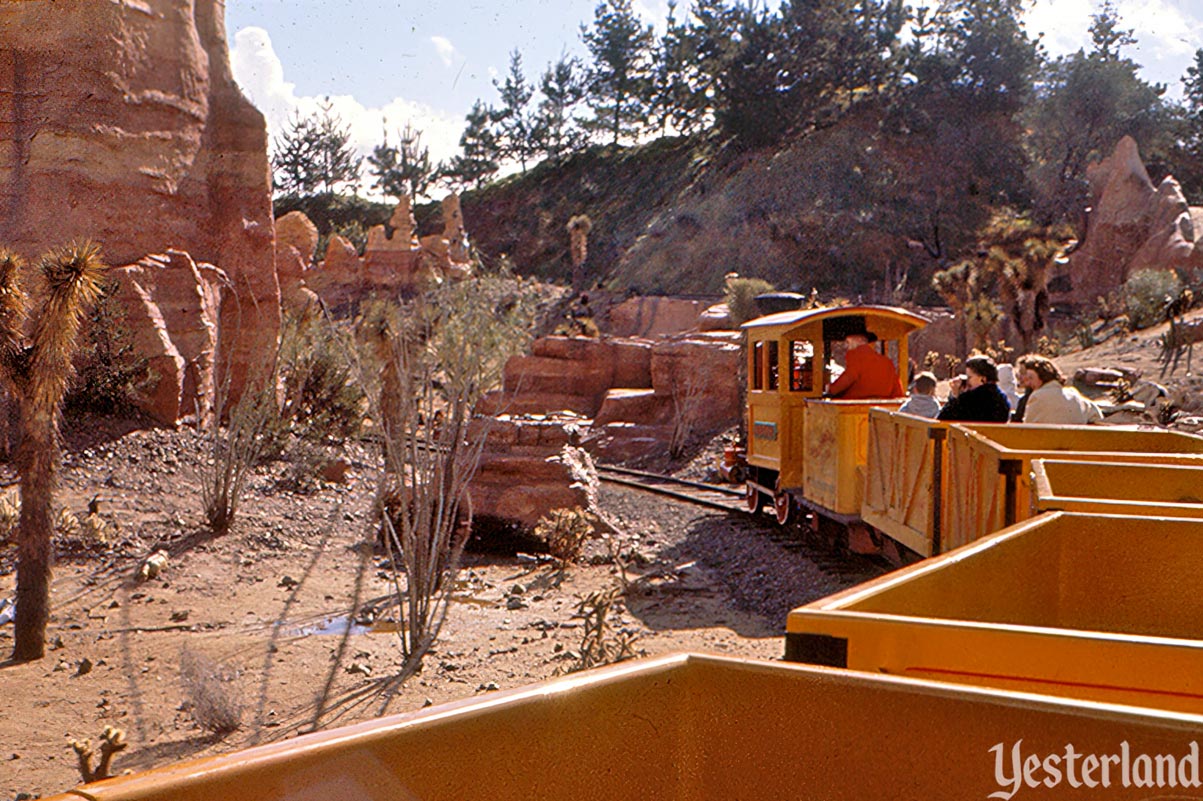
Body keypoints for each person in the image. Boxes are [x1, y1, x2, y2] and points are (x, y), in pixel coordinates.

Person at [1015, 354, 1103, 424]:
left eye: (1030, 378)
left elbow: (1027, 429)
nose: (1028, 382)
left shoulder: (1037, 397)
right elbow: (1096, 415)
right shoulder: (1074, 395)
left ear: (1042, 376)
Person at [826, 331, 905, 400]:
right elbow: (898, 392)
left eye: (848, 342)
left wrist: (829, 389)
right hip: (882, 412)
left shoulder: (857, 358)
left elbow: (846, 380)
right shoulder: (887, 362)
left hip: (854, 411)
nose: (847, 347)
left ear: (857, 340)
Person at [937, 355, 1011, 422]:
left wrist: (955, 397)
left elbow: (942, 420)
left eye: (969, 377)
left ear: (983, 379)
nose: (967, 381)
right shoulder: (1002, 400)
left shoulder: (968, 400)